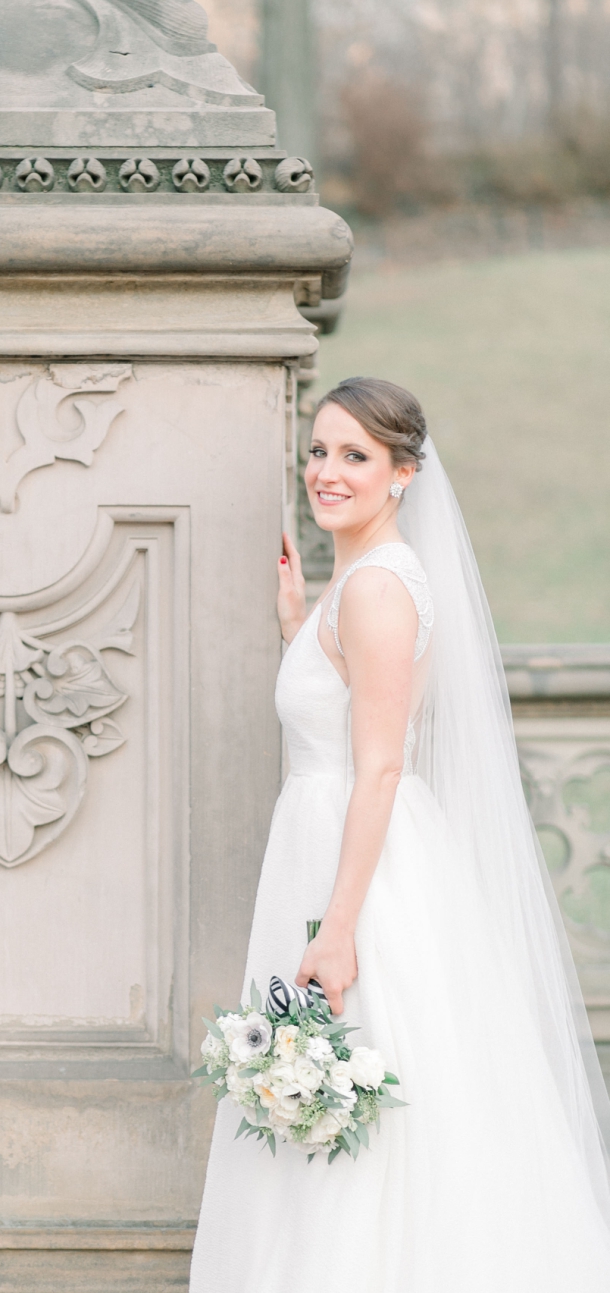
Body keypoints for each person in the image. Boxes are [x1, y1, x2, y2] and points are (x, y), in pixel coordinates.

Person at [190, 377, 610, 1292]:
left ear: (404, 473)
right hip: (334, 848)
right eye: (318, 449)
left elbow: (378, 765)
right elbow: (349, 718)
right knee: (344, 1098)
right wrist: (303, 625)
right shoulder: (362, 583)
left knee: (373, 1100)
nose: (326, 472)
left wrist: (337, 930)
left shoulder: (378, 589)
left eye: (355, 456)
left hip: (356, 873)